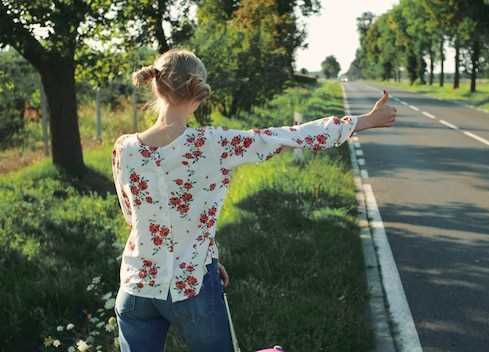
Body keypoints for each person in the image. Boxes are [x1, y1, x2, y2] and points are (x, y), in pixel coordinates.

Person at [111, 48, 397, 352]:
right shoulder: (214, 144)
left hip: (135, 286)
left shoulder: (124, 148)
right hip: (191, 286)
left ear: (156, 85)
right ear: (198, 94)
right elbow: (290, 136)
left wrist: (207, 251)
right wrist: (363, 121)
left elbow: (135, 218)